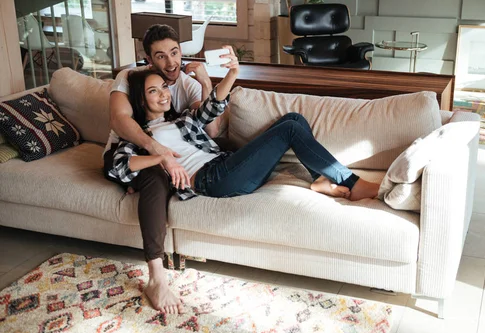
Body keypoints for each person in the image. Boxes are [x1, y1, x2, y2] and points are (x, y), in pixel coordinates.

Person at [108, 58, 381, 285]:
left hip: (226, 165)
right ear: (140, 101)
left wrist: (233, 73)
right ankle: (352, 184)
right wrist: (160, 157)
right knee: (289, 129)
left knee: (293, 120)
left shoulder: (181, 119)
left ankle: (320, 180)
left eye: (163, 87)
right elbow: (119, 166)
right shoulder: (136, 138)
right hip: (211, 180)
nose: (163, 94)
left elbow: (212, 106)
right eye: (153, 91)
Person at [103, 24, 219, 315]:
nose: (171, 63)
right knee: (155, 175)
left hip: (165, 153)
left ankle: (135, 181)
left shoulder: (187, 83)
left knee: (163, 174)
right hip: (127, 150)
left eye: (174, 53)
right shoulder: (129, 78)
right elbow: (120, 120)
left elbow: (212, 130)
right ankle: (156, 277)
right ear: (148, 59)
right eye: (161, 56)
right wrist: (159, 153)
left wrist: (206, 83)